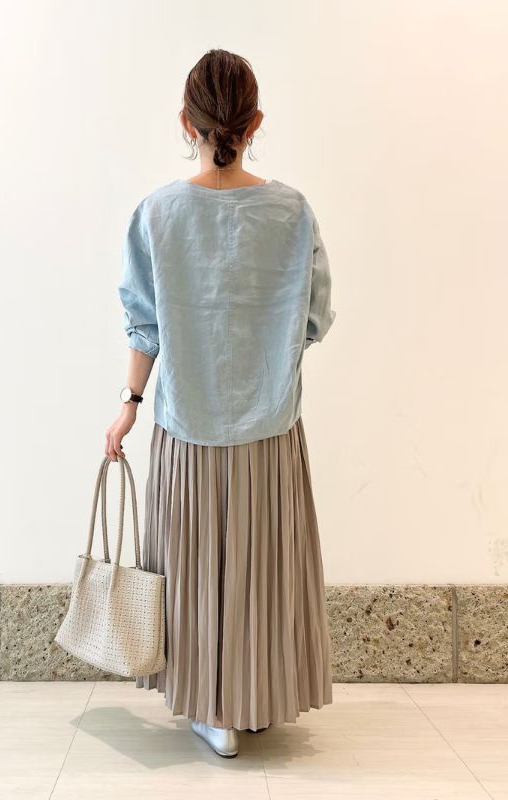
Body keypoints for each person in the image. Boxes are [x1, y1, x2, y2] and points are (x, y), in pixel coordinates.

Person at [105, 48, 336, 759]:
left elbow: (144, 325)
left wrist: (129, 403)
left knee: (196, 566)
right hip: (270, 425)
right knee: (261, 566)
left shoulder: (158, 213)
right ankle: (255, 697)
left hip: (188, 424)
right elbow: (314, 320)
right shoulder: (292, 212)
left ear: (187, 122)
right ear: (254, 122)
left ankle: (212, 707)